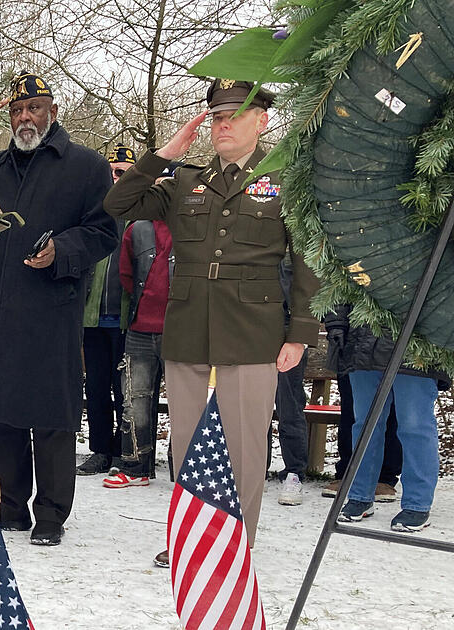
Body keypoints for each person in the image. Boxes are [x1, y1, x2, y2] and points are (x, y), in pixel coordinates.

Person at [105, 79, 321, 567]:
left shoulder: (287, 179)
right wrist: (166, 153)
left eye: (234, 116)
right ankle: (191, 538)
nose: (222, 124)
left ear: (261, 121)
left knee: (245, 440)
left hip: (253, 328)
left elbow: (308, 261)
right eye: (216, 116)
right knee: (185, 439)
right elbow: (118, 204)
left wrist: (300, 333)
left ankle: (236, 540)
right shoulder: (185, 179)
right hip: (187, 325)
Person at [0, 72, 119, 546]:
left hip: (50, 309)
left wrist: (61, 250)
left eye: (35, 108)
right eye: (18, 110)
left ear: (52, 112)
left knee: (50, 416)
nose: (25, 117)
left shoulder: (86, 166)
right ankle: (10, 508)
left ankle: (51, 513)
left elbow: (105, 230)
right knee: (0, 414)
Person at [325, 305, 446, 531]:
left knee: (415, 426)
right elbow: (338, 278)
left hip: (417, 345)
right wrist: (335, 321)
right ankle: (359, 496)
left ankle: (417, 504)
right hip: (363, 343)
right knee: (364, 423)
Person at [103, 161, 180, 489]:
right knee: (134, 398)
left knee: (184, 403)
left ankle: (184, 473)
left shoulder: (191, 228)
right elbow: (126, 276)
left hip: (183, 331)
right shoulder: (137, 228)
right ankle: (136, 467)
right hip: (140, 329)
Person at [78, 144, 135, 476]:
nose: (118, 178)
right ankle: (100, 450)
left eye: (125, 172)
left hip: (129, 320)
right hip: (93, 318)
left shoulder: (144, 214)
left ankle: (125, 451)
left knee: (125, 389)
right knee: (96, 386)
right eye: (114, 171)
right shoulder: (94, 214)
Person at [324, 374, 402, 501]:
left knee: (392, 410)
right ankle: (347, 474)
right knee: (352, 408)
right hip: (355, 359)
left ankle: (385, 478)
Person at [271, 257, 309, 505]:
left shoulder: (294, 247)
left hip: (286, 334)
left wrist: (299, 337)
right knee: (249, 407)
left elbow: (306, 291)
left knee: (289, 406)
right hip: (248, 330)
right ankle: (250, 468)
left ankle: (294, 472)